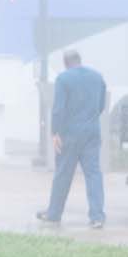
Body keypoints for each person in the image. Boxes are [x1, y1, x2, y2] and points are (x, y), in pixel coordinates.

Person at [36, 49, 108, 228]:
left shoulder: (63, 79)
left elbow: (58, 109)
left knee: (63, 174)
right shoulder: (97, 77)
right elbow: (101, 105)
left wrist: (55, 133)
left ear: (66, 63)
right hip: (92, 133)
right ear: (79, 60)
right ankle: (97, 217)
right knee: (93, 174)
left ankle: (54, 214)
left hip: (70, 134)